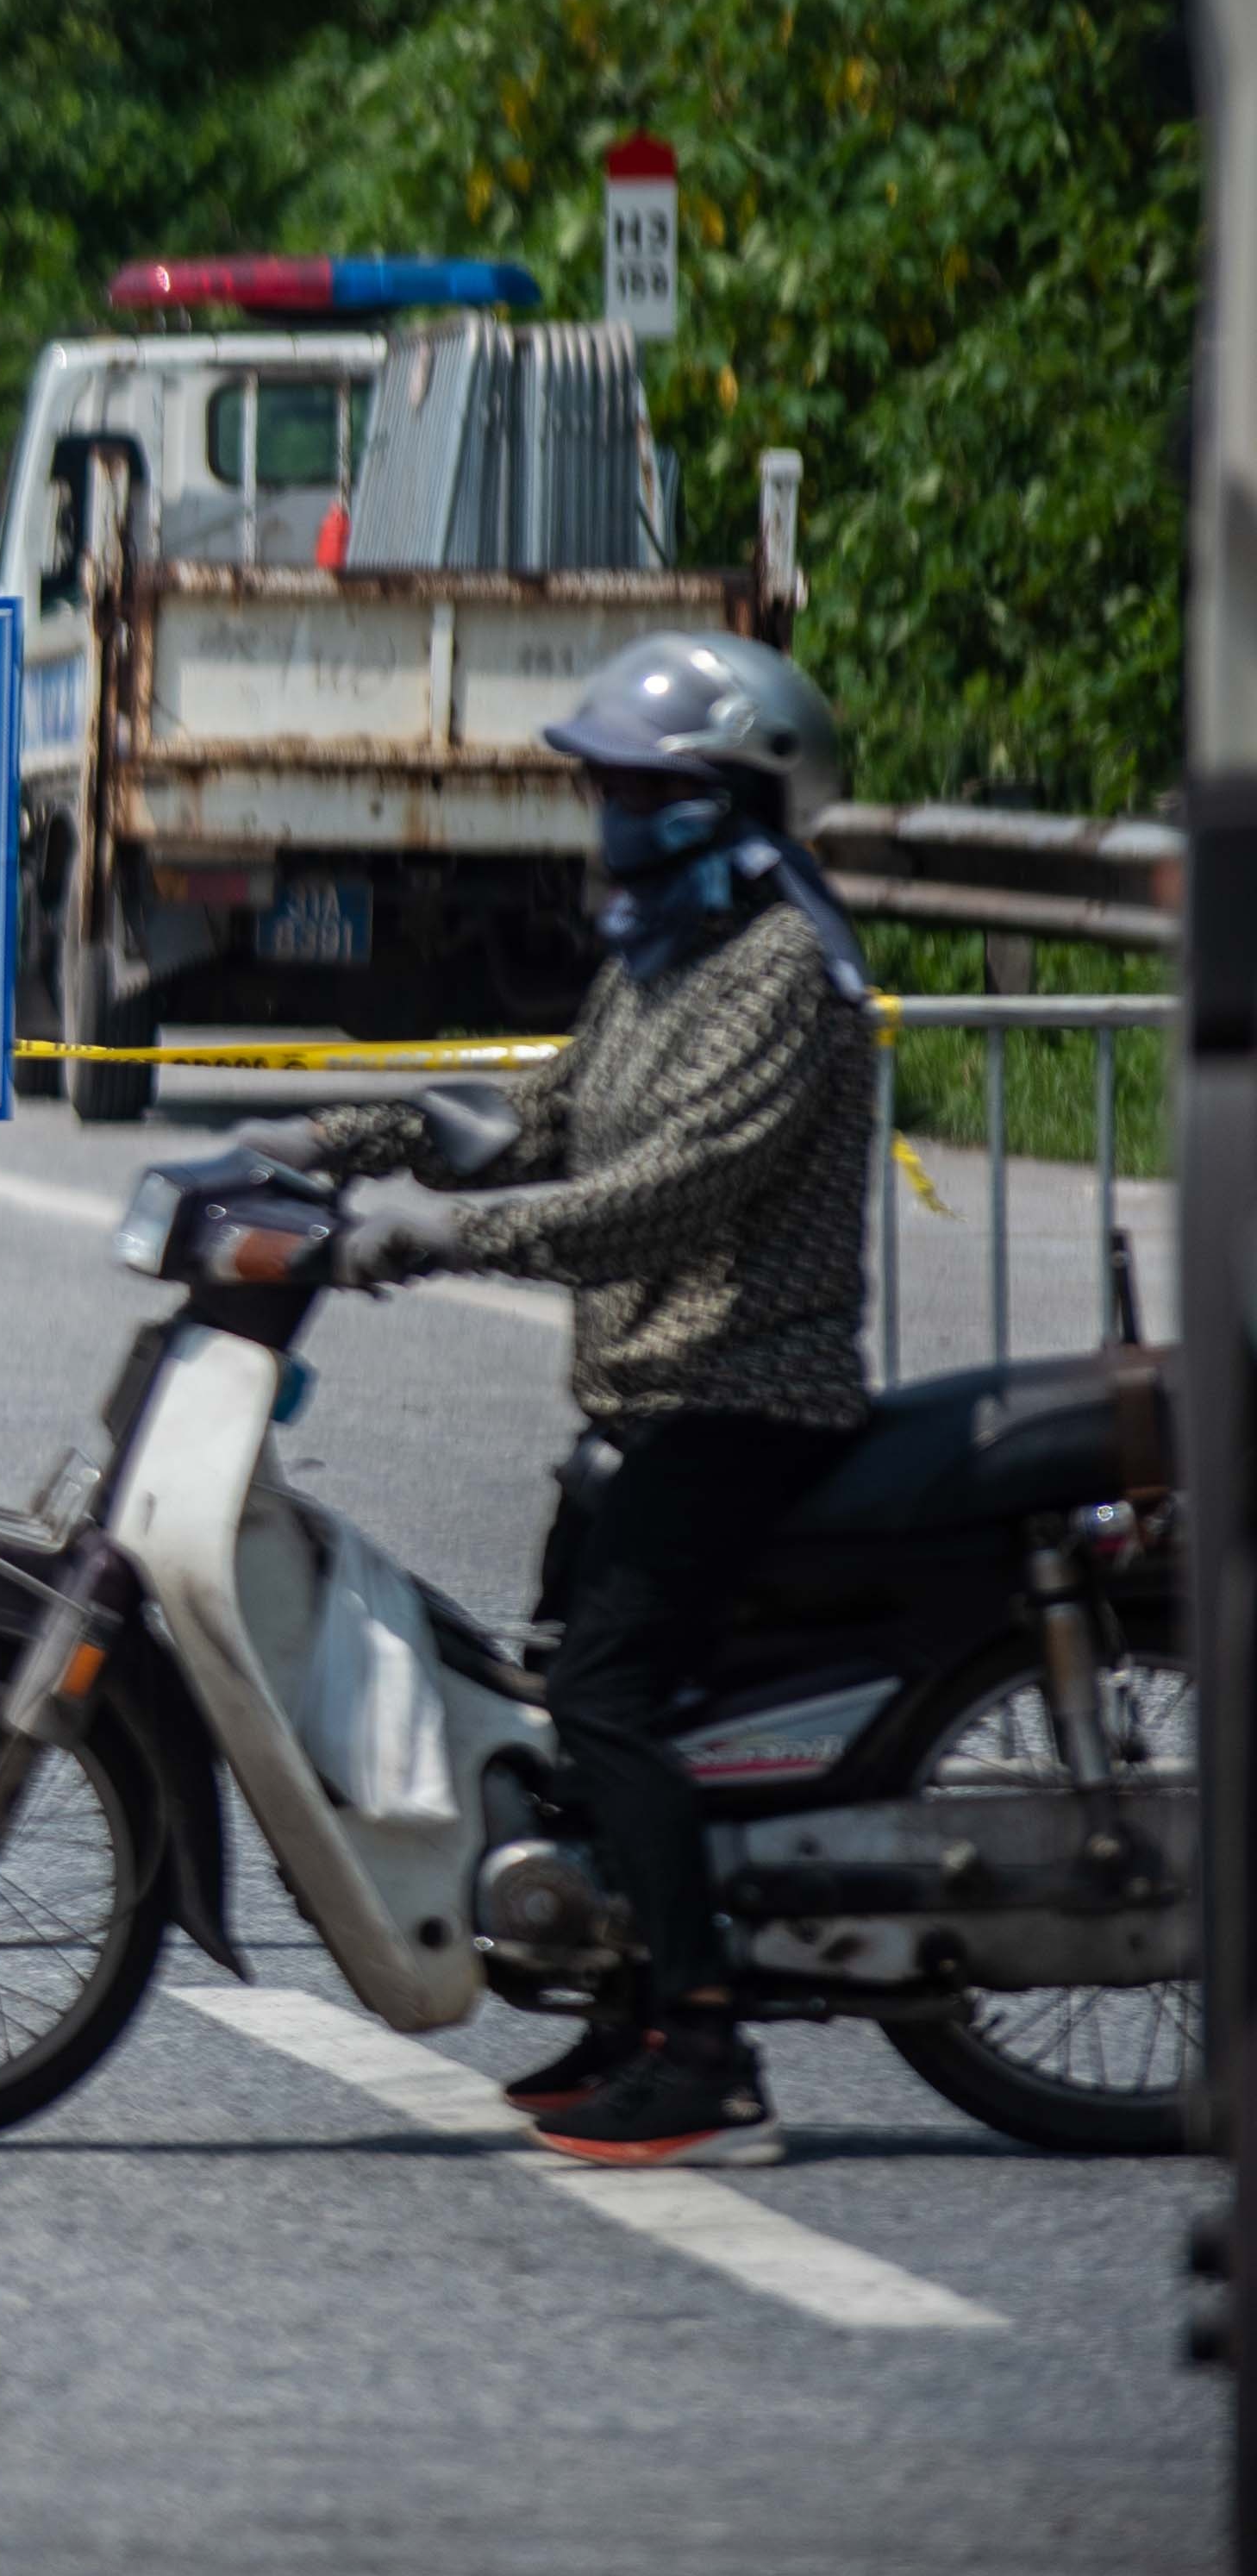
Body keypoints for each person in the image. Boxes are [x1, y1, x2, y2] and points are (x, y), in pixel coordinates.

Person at [247, 630, 872, 2172]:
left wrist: (457, 1235)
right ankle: (631, 2000)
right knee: (550, 1696)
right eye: (604, 784)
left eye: (639, 786)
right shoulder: (663, 945)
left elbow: (673, 1195)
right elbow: (545, 1122)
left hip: (747, 1396)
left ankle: (710, 2051)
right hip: (649, 1396)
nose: (609, 812)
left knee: (605, 1696)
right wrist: (357, 1139)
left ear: (734, 794)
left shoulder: (785, 964)